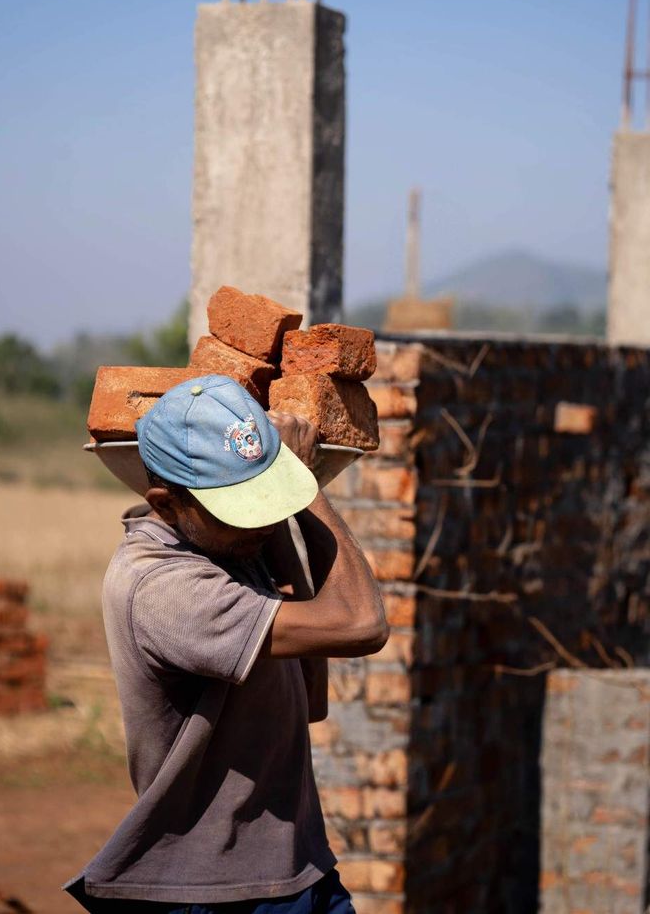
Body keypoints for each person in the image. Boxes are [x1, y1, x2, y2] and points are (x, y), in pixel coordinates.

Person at [64, 373, 389, 913]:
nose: (260, 521)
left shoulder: (229, 546)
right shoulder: (165, 588)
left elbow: (311, 702)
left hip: (298, 871)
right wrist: (306, 486)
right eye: (241, 508)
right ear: (165, 505)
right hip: (218, 894)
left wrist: (277, 500)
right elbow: (361, 624)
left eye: (264, 500)